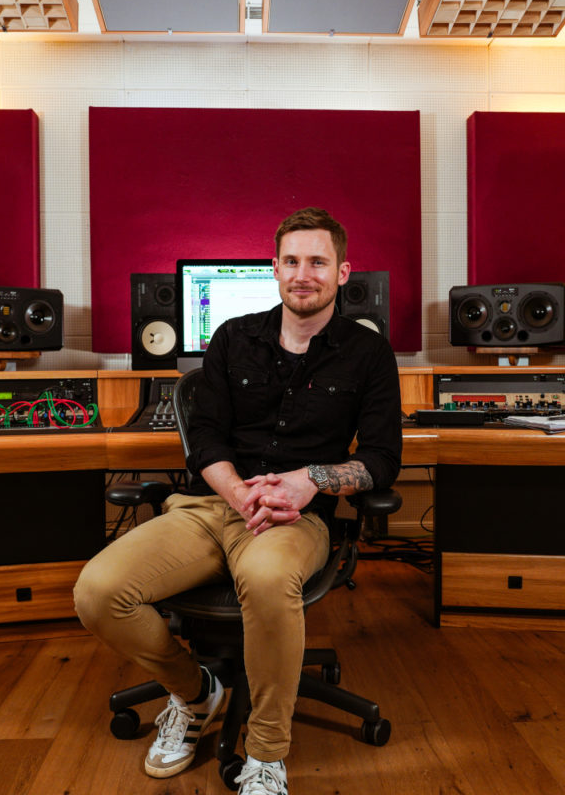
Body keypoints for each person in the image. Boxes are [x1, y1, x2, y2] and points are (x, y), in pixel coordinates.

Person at [73, 206, 402, 795]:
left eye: (318, 262)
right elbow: (205, 441)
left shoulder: (369, 354)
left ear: (343, 272)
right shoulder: (232, 337)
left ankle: (267, 753)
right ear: (274, 269)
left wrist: (310, 480)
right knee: (98, 592)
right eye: (292, 261)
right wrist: (239, 492)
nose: (304, 274)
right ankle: (195, 692)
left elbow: (381, 459)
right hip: (211, 506)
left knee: (270, 582)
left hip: (297, 516)